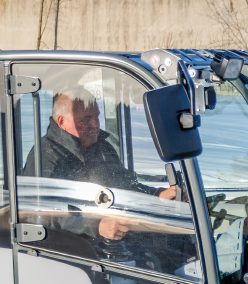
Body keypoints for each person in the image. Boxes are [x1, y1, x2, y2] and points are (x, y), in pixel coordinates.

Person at [31, 90, 178, 239]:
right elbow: (41, 213)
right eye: (86, 119)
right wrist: (96, 226)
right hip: (76, 247)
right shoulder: (46, 154)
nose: (95, 125)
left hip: (117, 236)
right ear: (62, 122)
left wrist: (158, 196)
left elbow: (125, 186)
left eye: (96, 117)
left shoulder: (102, 148)